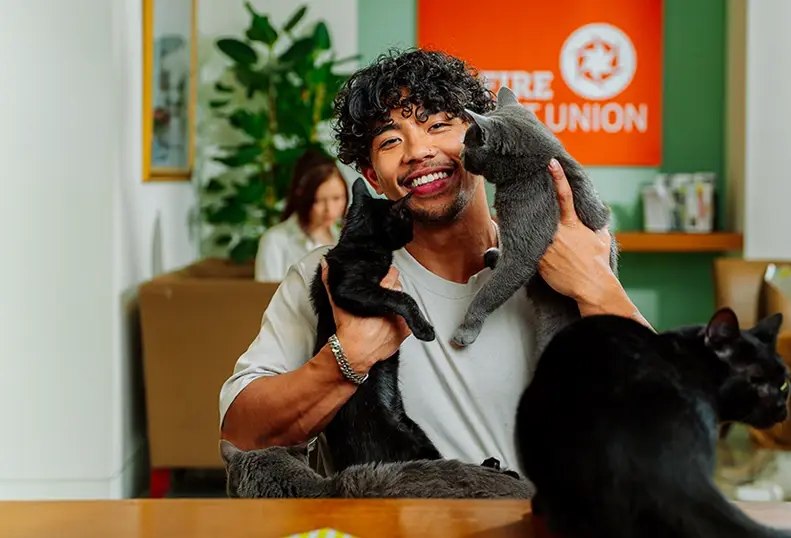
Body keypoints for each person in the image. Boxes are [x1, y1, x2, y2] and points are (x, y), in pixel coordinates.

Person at [219, 49, 650, 474]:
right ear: (372, 177)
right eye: (391, 140)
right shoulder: (332, 274)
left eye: (438, 125)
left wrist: (599, 288)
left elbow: (662, 419)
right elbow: (240, 435)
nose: (418, 150)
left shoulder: (564, 258)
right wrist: (346, 359)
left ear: (481, 136)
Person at [254, 149, 349, 282]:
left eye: (337, 198)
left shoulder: (343, 239)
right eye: (319, 200)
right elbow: (266, 293)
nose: (329, 209)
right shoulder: (275, 241)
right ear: (303, 196)